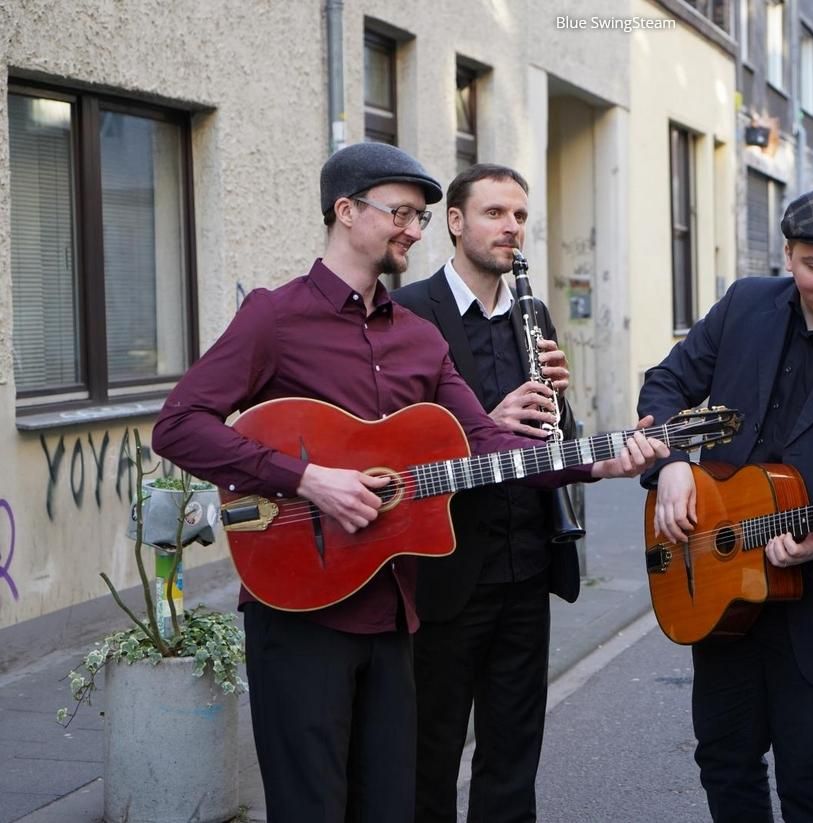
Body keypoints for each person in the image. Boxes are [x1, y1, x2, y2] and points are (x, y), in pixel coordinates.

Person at [151, 143, 667, 823]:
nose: (415, 231)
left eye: (420, 217)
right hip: (299, 605)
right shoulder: (275, 317)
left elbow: (485, 442)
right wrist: (307, 478)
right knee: (311, 807)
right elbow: (179, 426)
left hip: (395, 610)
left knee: (393, 805)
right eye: (402, 214)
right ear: (346, 211)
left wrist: (598, 460)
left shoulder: (419, 338)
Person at [638, 188, 813, 822]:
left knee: (810, 778)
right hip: (716, 582)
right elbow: (666, 382)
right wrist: (673, 462)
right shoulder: (744, 305)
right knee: (724, 761)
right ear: (788, 255)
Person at [390, 163, 579, 822]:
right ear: (455, 221)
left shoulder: (534, 312)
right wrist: (486, 425)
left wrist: (559, 403)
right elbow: (390, 443)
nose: (511, 228)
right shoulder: (409, 311)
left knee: (513, 753)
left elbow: (556, 438)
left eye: (520, 215)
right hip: (445, 569)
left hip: (526, 563)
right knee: (430, 752)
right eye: (495, 213)